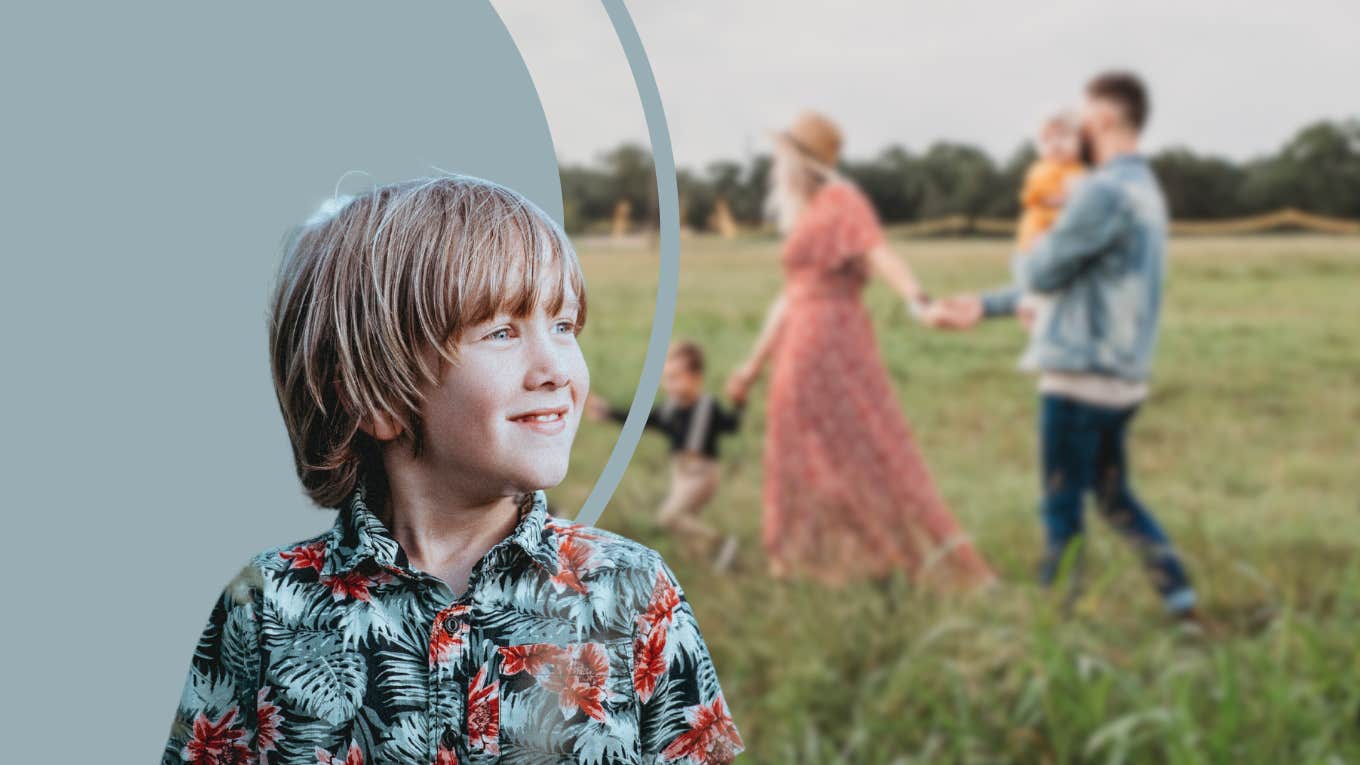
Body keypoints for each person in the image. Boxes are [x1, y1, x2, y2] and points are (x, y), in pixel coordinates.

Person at [162, 176, 744, 764]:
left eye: (564, 326)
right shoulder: (265, 608)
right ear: (375, 401)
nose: (555, 369)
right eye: (501, 332)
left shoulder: (635, 593)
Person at [928, 72, 1200, 622]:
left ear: (1102, 117)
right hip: (1123, 375)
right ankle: (1180, 600)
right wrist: (986, 304)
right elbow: (1080, 279)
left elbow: (1045, 271)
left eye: (1082, 116)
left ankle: (1054, 618)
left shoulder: (1100, 190)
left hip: (1079, 375)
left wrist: (1028, 234)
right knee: (1113, 497)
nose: (1074, 129)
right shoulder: (1145, 188)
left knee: (1060, 503)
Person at [725, 111, 995, 589]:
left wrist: (919, 302)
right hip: (801, 338)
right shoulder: (807, 213)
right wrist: (752, 365)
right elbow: (790, 296)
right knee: (796, 446)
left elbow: (877, 251)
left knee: (858, 447)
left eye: (779, 157)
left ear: (800, 162)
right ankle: (815, 558)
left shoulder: (840, 200)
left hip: (830, 339)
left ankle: (873, 554)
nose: (773, 167)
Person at [587, 340, 743, 568]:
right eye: (666, 378)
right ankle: (702, 558)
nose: (669, 385)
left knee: (669, 517)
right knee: (682, 521)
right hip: (680, 474)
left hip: (702, 475)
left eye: (676, 378)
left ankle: (721, 544)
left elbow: (731, 426)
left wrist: (739, 401)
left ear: (696, 378)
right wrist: (606, 411)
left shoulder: (708, 407)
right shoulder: (670, 411)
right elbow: (639, 420)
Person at [1014, 110, 1087, 333]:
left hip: (1065, 240)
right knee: (1038, 283)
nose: (1056, 144)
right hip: (1038, 237)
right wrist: (1066, 198)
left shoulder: (1081, 171)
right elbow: (1037, 197)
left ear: (1080, 141)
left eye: (1064, 137)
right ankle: (1029, 304)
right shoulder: (1041, 170)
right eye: (1048, 139)